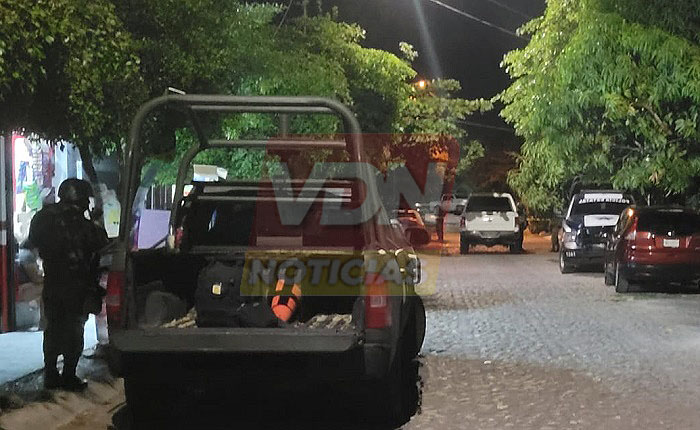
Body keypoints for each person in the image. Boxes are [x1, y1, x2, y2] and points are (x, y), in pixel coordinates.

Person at [27, 179, 108, 391]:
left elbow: (32, 243)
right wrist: (96, 220)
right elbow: (102, 243)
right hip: (77, 283)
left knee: (53, 327)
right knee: (74, 328)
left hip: (53, 281)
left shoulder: (42, 217)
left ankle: (51, 373)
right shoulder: (83, 223)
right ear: (80, 199)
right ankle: (69, 375)